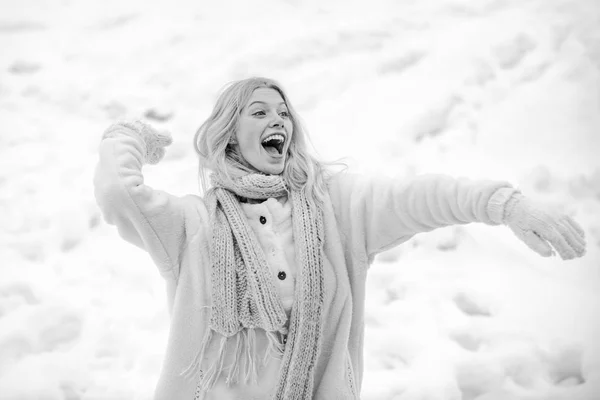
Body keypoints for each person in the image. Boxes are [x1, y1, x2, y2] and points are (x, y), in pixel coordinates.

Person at [93, 77, 587, 400]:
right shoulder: (192, 227)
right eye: (259, 112)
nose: (278, 121)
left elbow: (422, 197)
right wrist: (128, 136)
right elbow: (120, 192)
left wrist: (504, 204)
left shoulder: (339, 211)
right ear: (229, 136)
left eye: (284, 114)